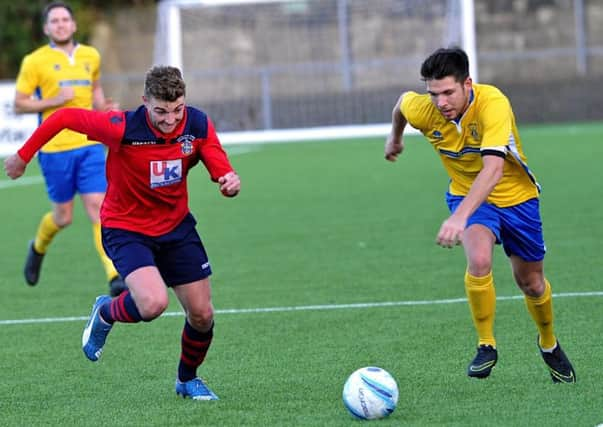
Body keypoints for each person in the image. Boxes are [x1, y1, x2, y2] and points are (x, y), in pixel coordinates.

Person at [5, 65, 241, 400]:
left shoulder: (197, 123)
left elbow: (215, 157)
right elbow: (63, 118)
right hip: (126, 228)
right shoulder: (122, 126)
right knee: (153, 304)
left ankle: (187, 380)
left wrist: (227, 179)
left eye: (177, 110)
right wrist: (23, 155)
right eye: (161, 111)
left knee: (202, 315)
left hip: (176, 228)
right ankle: (105, 312)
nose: (171, 120)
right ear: (145, 101)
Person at [384, 47, 576, 383]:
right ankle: (486, 344)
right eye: (434, 94)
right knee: (480, 260)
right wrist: (395, 137)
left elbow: (494, 169)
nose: (441, 102)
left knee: (530, 283)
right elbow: (402, 104)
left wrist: (459, 218)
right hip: (467, 197)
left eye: (448, 92)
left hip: (517, 198)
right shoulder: (425, 110)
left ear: (467, 84)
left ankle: (548, 343)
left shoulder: (493, 103)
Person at [13, 1, 126, 296]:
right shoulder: (34, 61)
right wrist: (54, 101)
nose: (61, 24)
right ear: (46, 28)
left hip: (88, 146)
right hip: (53, 148)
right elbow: (20, 103)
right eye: (55, 21)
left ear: (74, 25)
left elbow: (96, 89)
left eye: (65, 19)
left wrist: (104, 109)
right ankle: (37, 247)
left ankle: (114, 274)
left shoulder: (91, 55)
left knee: (98, 208)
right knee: (63, 216)